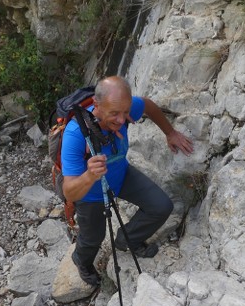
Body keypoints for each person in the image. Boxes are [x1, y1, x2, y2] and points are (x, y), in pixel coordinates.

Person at [61, 76, 194, 286]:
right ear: (97, 105)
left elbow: (148, 105)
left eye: (125, 112)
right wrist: (89, 176)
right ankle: (82, 260)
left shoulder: (123, 107)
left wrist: (170, 133)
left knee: (161, 206)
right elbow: (69, 191)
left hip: (121, 175)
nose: (122, 120)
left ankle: (126, 239)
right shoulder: (76, 134)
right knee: (93, 238)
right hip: (91, 193)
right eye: (114, 113)